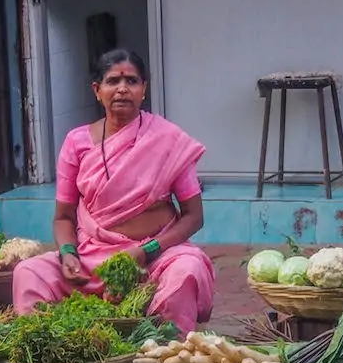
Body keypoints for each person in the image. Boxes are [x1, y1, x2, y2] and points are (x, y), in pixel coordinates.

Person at [12, 49, 215, 334]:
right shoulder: (76, 142)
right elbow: (63, 218)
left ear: (144, 89)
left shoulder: (168, 140)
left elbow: (193, 216)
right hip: (92, 260)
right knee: (29, 273)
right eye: (112, 81)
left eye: (132, 81)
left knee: (187, 270)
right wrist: (68, 254)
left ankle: (166, 354)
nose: (122, 89)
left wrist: (147, 250)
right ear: (97, 90)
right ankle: (52, 356)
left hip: (155, 257)